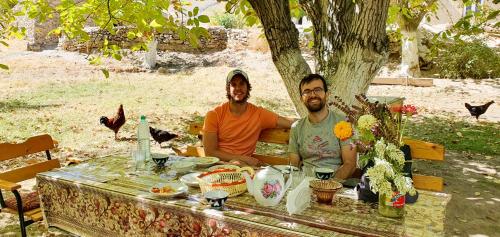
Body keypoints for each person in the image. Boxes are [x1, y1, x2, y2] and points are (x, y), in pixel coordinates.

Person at [203, 69, 294, 166]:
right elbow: (210, 152)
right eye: (233, 85)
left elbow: (288, 122)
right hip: (217, 165)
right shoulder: (214, 114)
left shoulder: (258, 114)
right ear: (228, 89)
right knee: (237, 163)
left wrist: (311, 120)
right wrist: (245, 159)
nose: (238, 88)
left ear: (247, 87)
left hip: (242, 167)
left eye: (242, 84)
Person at [288, 74, 357, 180]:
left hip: (335, 185)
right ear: (301, 99)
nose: (313, 95)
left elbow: (350, 164)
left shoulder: (343, 123)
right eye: (307, 92)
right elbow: (294, 166)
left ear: (327, 94)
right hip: (305, 184)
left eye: (318, 90)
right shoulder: (297, 128)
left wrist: (329, 186)